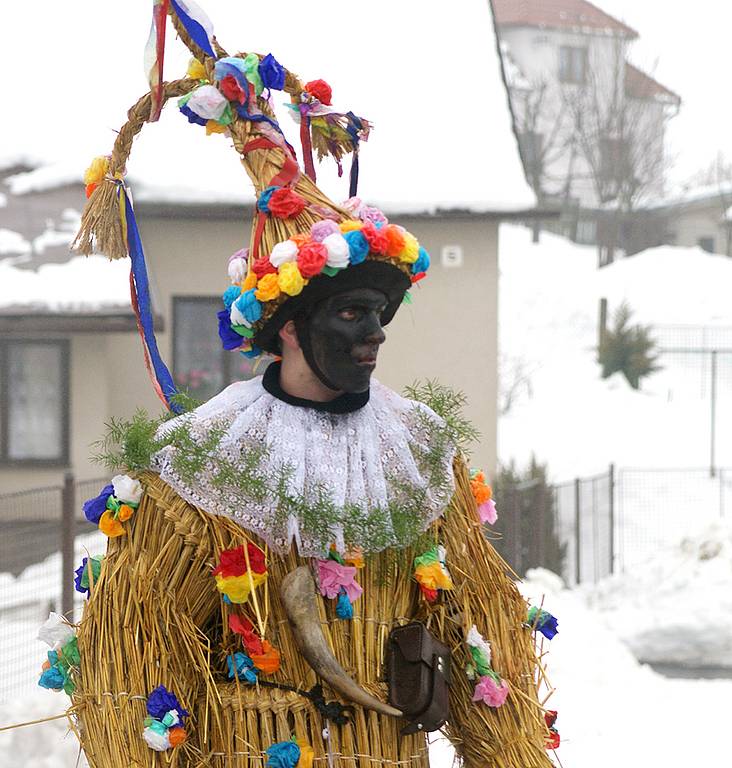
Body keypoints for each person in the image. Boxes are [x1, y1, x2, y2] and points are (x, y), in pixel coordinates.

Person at [67, 3, 556, 766]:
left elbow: (482, 640)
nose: (376, 333)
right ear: (288, 328)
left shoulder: (420, 455)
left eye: (381, 312)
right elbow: (133, 663)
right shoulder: (200, 466)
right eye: (352, 312)